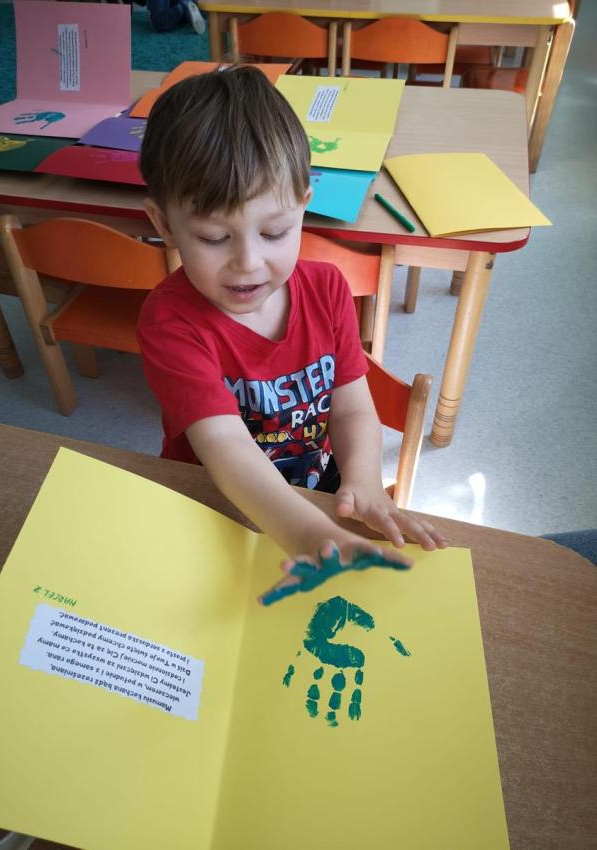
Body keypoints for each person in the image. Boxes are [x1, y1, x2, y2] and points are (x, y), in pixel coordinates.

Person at [137, 66, 448, 602]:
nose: (248, 262)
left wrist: (364, 481)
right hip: (213, 500)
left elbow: (352, 408)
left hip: (315, 491)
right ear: (164, 225)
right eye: (214, 238)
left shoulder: (327, 289)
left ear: (304, 203)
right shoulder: (170, 321)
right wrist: (306, 532)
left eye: (275, 231)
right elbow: (225, 446)